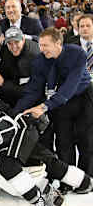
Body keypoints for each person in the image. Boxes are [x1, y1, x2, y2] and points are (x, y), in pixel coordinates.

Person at [14, 28, 93, 177]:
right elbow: (33, 90)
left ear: (58, 43)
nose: (42, 49)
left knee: (86, 139)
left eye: (45, 45)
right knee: (63, 140)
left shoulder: (77, 54)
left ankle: (87, 177)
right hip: (59, 102)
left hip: (83, 98)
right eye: (40, 45)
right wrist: (16, 112)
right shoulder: (40, 61)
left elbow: (71, 85)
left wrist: (45, 106)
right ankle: (69, 178)